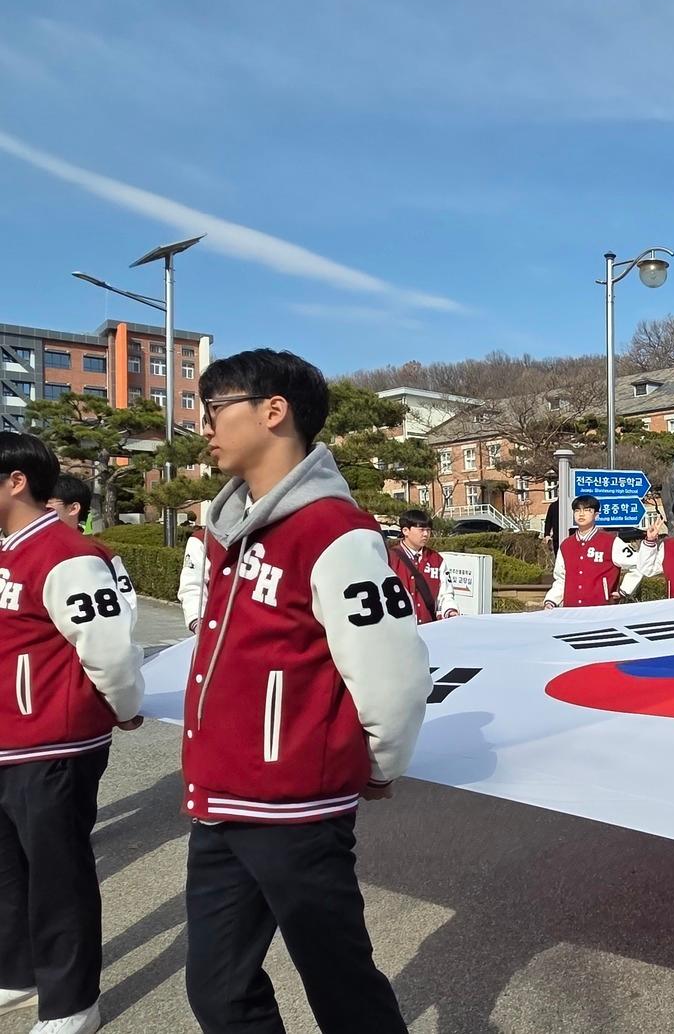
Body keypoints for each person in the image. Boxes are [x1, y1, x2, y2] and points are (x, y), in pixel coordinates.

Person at [181, 349, 431, 1034]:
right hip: (221, 798)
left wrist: (376, 762)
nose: (203, 425)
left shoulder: (333, 531)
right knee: (217, 991)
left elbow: (395, 671)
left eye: (214, 408)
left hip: (295, 805)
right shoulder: (232, 529)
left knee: (341, 988)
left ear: (272, 411)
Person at [0, 433, 144, 1034]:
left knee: (58, 874)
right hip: (9, 738)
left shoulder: (66, 554)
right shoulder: (7, 550)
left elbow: (110, 648)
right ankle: (17, 973)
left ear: (15, 481)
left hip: (53, 742)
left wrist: (123, 706)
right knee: (8, 870)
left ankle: (72, 1002)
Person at [46, 473, 137, 620]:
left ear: (73, 508)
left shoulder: (100, 555)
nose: (41, 514)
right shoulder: (24, 549)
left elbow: (128, 607)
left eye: (48, 507)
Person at [542, 495, 645, 608]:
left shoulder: (610, 542)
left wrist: (624, 590)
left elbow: (638, 564)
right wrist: (551, 600)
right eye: (577, 510)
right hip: (571, 609)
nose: (581, 514)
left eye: (587, 510)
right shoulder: (566, 545)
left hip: (601, 609)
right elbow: (561, 578)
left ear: (596, 515)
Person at [388, 509, 460, 623]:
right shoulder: (390, 559)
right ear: (406, 531)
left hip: (429, 628)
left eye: (428, 530)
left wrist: (450, 611)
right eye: (421, 530)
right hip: (399, 630)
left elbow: (445, 594)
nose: (426, 534)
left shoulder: (436, 559)